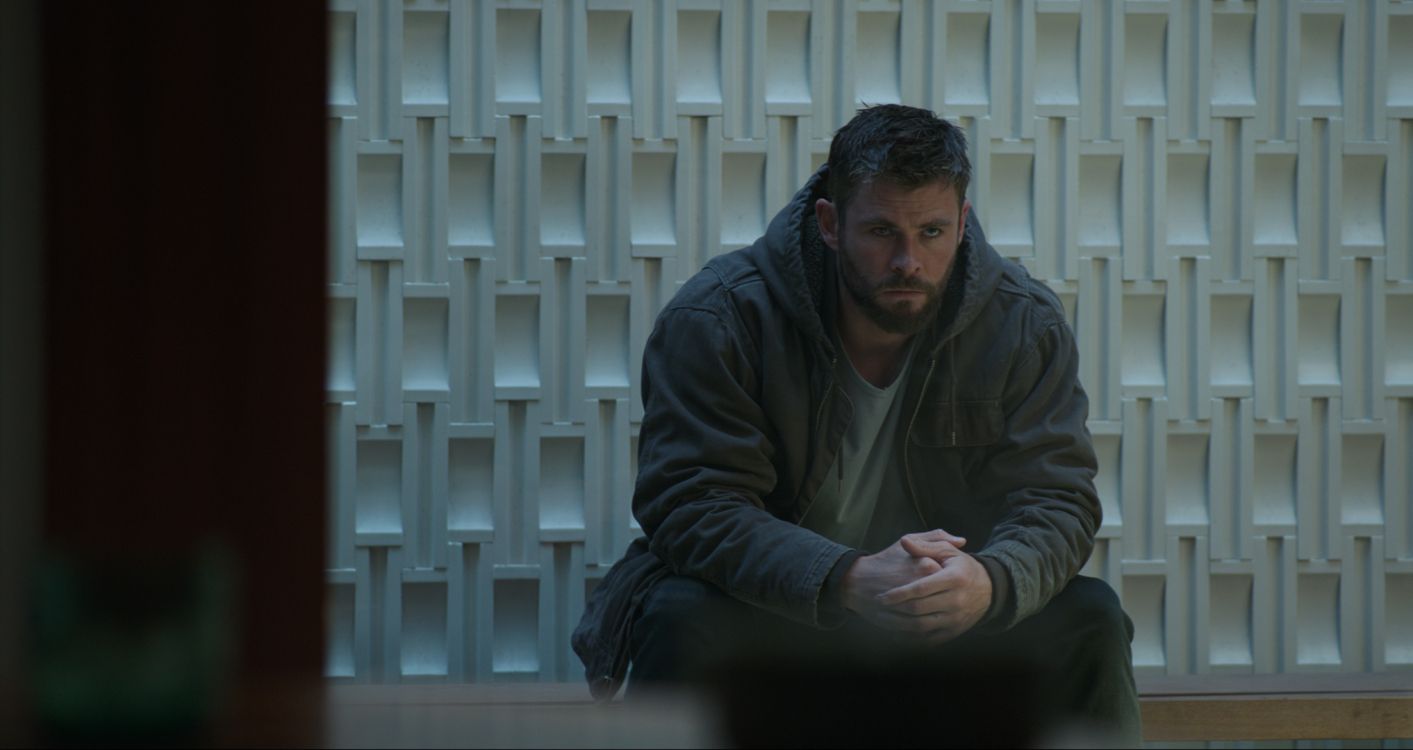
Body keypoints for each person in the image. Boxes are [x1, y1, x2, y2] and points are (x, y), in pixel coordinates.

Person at [573, 104, 1141, 745]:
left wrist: (990, 580)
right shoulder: (721, 319)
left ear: (963, 221)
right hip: (779, 618)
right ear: (829, 223)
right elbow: (691, 504)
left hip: (947, 623)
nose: (908, 261)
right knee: (677, 616)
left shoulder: (1022, 325)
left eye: (931, 232)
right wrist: (844, 577)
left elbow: (1058, 497)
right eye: (880, 232)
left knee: (1090, 616)